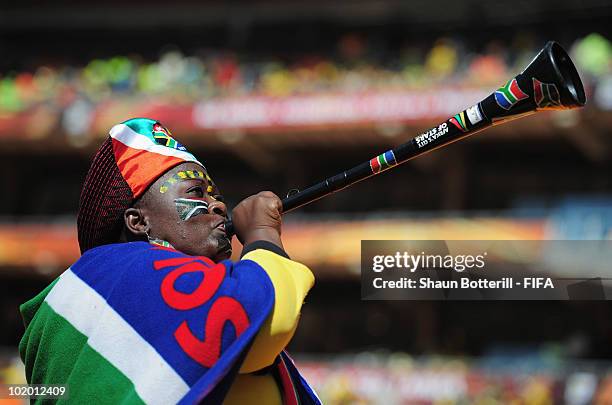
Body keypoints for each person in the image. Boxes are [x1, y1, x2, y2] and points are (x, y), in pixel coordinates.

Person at [19, 118, 320, 404]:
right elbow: (267, 325)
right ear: (138, 221)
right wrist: (261, 233)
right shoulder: (124, 270)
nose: (218, 205)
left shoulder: (109, 282)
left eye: (215, 195)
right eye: (196, 192)